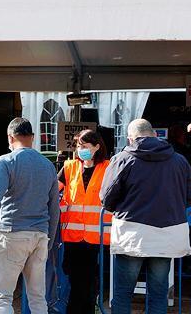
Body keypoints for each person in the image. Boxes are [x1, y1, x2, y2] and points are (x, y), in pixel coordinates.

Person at [100, 119, 191, 314]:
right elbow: (188, 199)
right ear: (154, 134)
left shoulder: (122, 159)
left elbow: (106, 198)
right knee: (159, 293)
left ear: (130, 138)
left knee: (123, 293)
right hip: (168, 233)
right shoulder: (179, 160)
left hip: (132, 233)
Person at [0, 117, 60, 314]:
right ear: (32, 137)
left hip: (12, 232)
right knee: (38, 299)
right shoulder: (48, 166)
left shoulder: (5, 161)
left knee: (2, 297)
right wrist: (49, 240)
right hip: (40, 235)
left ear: (10, 138)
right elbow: (54, 208)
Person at [58, 129, 111, 314]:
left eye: (85, 146)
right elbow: (54, 190)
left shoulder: (108, 167)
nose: (81, 149)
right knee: (74, 278)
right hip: (72, 235)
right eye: (79, 146)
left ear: (97, 147)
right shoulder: (69, 166)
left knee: (88, 281)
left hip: (96, 236)